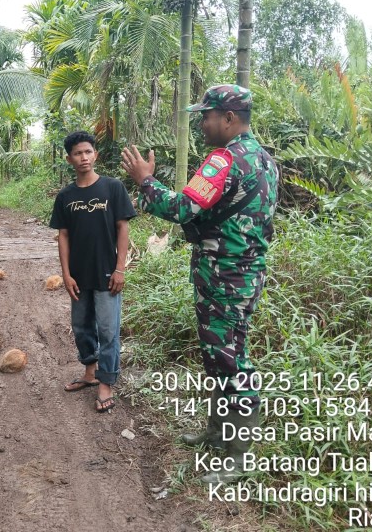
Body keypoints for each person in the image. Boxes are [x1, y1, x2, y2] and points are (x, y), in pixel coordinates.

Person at [121, 84, 278, 483]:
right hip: (245, 273)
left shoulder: (223, 160)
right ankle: (217, 433)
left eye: (207, 116)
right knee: (219, 355)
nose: (202, 123)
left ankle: (240, 459)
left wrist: (145, 181)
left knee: (230, 360)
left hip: (224, 276)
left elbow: (181, 208)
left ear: (229, 118)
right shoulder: (264, 159)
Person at [50, 131, 136, 413]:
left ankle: (106, 382)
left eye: (88, 152)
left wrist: (120, 269)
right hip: (78, 275)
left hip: (107, 274)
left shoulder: (113, 188)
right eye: (78, 153)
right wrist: (66, 274)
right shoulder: (66, 196)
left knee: (108, 330)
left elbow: (123, 228)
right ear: (69, 159)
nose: (84, 157)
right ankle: (90, 372)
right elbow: (63, 236)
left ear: (95, 155)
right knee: (81, 327)